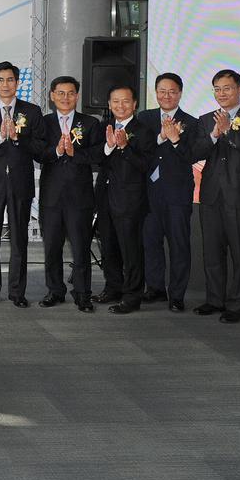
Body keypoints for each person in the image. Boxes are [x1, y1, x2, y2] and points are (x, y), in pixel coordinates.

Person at [190, 69, 240, 323]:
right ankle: (215, 299)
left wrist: (228, 133)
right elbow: (195, 153)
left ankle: (237, 304)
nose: (221, 93)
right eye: (217, 89)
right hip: (211, 195)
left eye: (227, 88)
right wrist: (214, 134)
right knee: (212, 252)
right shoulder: (205, 120)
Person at [0, 61, 46, 307]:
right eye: (1, 80)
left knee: (19, 239)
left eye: (10, 79)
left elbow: (40, 148)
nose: (6, 84)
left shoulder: (31, 111)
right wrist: (0, 136)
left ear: (18, 83)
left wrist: (16, 137)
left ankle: (17, 292)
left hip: (20, 183)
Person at [33, 76, 100, 312]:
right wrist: (56, 151)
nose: (65, 97)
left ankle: (82, 294)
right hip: (51, 197)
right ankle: (55, 291)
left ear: (77, 96)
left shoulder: (90, 123)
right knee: (52, 248)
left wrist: (73, 153)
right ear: (52, 96)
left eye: (70, 93)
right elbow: (37, 152)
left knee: (81, 249)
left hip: (80, 197)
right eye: (60, 93)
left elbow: (98, 155)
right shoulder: (44, 122)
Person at [136, 72, 198, 312]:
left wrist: (175, 140)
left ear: (180, 93)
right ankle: (155, 288)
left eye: (172, 91)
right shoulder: (144, 118)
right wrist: (161, 137)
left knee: (179, 245)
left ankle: (177, 295)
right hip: (148, 192)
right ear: (156, 92)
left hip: (177, 194)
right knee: (150, 242)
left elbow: (191, 155)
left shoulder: (192, 122)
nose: (167, 96)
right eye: (162, 91)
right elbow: (140, 149)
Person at [93, 84, 152, 314]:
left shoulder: (143, 130)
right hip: (105, 197)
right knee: (108, 247)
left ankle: (132, 296)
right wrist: (109, 147)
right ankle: (113, 287)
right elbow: (95, 157)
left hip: (130, 200)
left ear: (135, 104)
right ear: (109, 104)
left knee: (131, 250)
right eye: (115, 101)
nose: (120, 105)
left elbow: (145, 165)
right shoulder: (103, 127)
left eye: (126, 101)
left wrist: (125, 147)